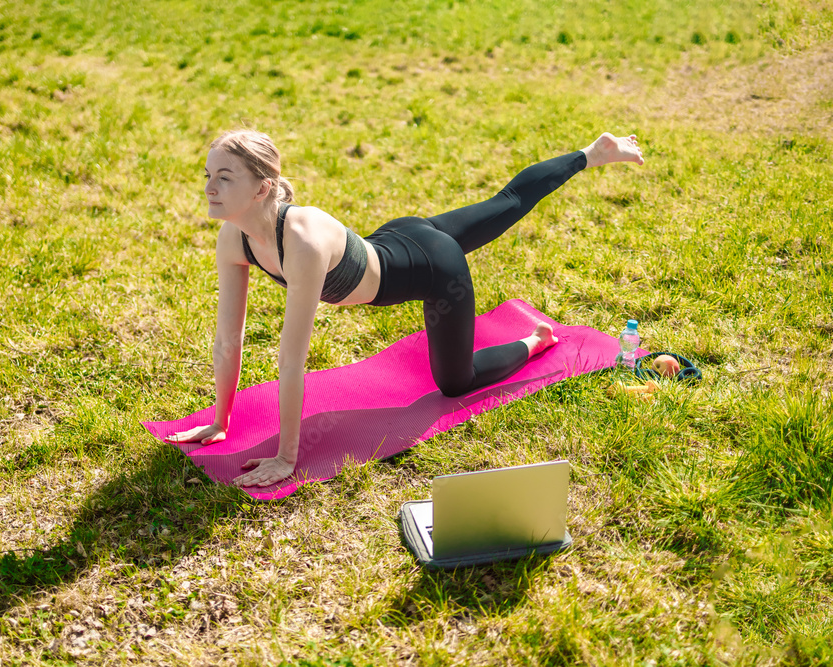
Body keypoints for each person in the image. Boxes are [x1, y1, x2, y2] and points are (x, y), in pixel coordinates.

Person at [168, 129, 644, 487]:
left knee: (456, 382)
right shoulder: (234, 236)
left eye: (224, 177)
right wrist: (220, 420)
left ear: (262, 188)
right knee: (505, 203)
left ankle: (534, 338)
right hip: (400, 237)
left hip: (433, 267)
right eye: (208, 175)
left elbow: (292, 360)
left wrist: (287, 459)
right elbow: (228, 339)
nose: (210, 187)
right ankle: (594, 153)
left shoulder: (303, 240)